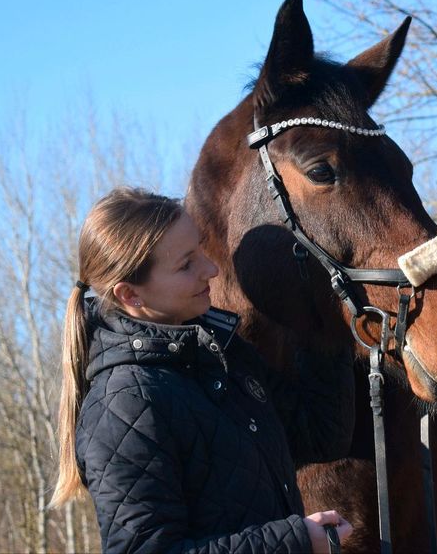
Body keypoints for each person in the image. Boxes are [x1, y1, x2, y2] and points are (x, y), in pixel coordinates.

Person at [49, 187, 355, 553]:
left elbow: (318, 434)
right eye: (186, 264)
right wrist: (294, 542)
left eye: (200, 250)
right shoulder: (125, 405)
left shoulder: (222, 355)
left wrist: (320, 309)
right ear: (131, 296)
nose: (210, 269)